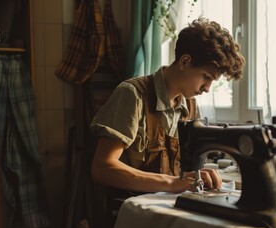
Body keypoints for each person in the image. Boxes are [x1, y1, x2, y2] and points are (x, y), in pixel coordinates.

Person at [90, 17, 245, 194]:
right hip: (129, 210)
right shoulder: (132, 95)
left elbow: (188, 173)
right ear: (185, 61)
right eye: (206, 77)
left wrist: (199, 176)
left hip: (166, 207)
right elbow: (102, 169)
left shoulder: (191, 107)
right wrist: (172, 183)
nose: (207, 89)